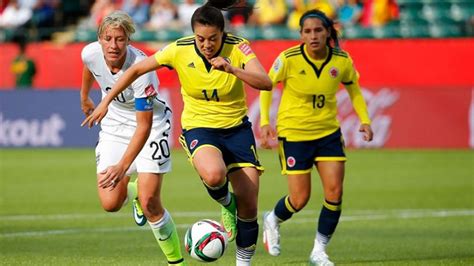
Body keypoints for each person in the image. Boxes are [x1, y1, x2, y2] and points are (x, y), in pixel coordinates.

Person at [82, 1, 272, 265]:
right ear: (193, 34)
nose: (206, 45)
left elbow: (266, 82)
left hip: (237, 128)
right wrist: (105, 100)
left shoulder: (239, 47)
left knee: (249, 206)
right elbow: (137, 69)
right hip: (200, 127)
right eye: (200, 38)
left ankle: (243, 262)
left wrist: (232, 69)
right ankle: (226, 201)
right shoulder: (179, 49)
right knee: (215, 175)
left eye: (213, 39)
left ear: (223, 34)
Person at [259, 9, 373, 266]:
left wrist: (364, 119)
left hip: (328, 133)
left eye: (318, 30)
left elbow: (353, 88)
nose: (313, 36)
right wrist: (265, 122)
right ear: (300, 34)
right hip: (294, 134)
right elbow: (267, 86)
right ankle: (272, 219)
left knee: (334, 193)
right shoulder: (288, 58)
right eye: (307, 31)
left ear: (328, 32)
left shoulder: (341, 60)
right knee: (299, 199)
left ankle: (319, 251)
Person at [79, 11, 185, 266]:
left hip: (151, 124)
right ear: (100, 39)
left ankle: (177, 262)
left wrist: (123, 167)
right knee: (110, 203)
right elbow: (88, 67)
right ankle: (132, 190)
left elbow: (143, 127)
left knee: (151, 204)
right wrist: (84, 96)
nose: (113, 45)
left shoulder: (142, 69)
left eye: (120, 39)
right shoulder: (90, 52)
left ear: (129, 41)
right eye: (108, 39)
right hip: (115, 123)